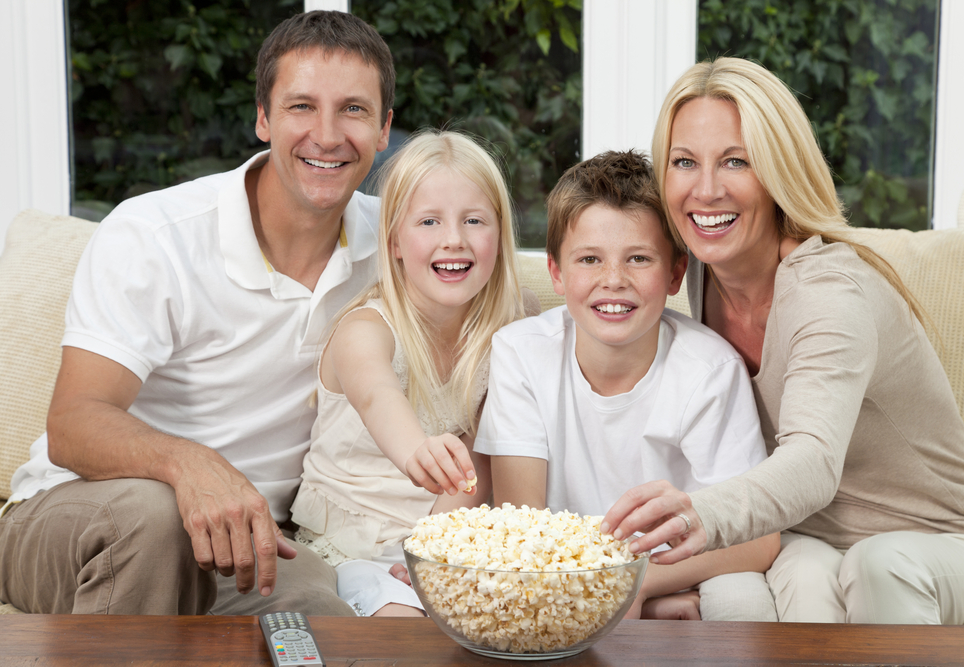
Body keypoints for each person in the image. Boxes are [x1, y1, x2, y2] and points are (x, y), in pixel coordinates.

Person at [0, 10, 394, 616]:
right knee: (155, 519)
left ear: (385, 128)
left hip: (248, 546)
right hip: (77, 518)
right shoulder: (155, 235)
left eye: (354, 110)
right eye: (300, 107)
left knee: (324, 623)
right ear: (262, 118)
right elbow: (73, 424)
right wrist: (189, 465)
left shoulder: (396, 246)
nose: (328, 134)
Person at [603, 57, 964, 624]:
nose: (706, 190)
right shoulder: (699, 271)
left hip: (947, 542)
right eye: (685, 162)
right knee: (803, 569)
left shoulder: (831, 291)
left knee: (880, 563)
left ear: (777, 172)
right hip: (812, 536)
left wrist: (698, 515)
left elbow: (812, 462)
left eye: (735, 161)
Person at [475, 150, 779, 621]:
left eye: (638, 258)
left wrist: (637, 585)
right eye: (589, 259)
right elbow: (524, 529)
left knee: (742, 599)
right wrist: (616, 591)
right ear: (556, 271)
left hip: (677, 567)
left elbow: (758, 540)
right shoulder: (520, 353)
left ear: (676, 272)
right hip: (557, 574)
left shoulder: (709, 369)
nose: (613, 281)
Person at [289, 130, 536, 618]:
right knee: (404, 626)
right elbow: (377, 395)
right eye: (429, 221)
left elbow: (481, 460)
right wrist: (416, 451)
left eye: (474, 220)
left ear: (500, 234)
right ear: (395, 241)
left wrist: (429, 549)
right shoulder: (366, 328)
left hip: (444, 537)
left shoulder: (511, 324)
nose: (454, 239)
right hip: (350, 548)